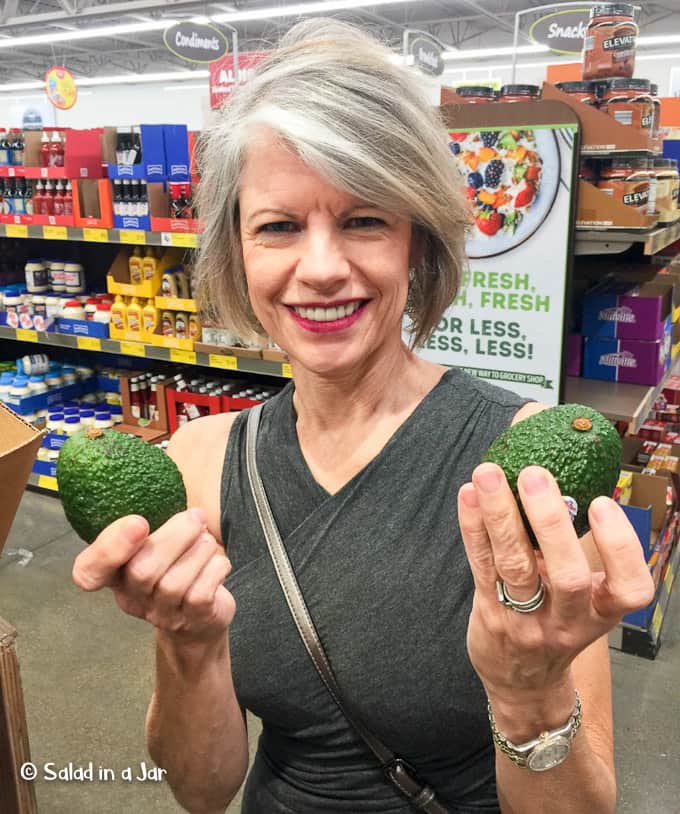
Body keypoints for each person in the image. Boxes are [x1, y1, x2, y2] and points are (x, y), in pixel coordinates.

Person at [72, 19, 654, 814]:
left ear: (417, 242)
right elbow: (202, 790)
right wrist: (189, 644)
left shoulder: (523, 463)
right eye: (278, 226)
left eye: (364, 219)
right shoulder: (201, 461)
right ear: (236, 253)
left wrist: (527, 691)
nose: (320, 268)